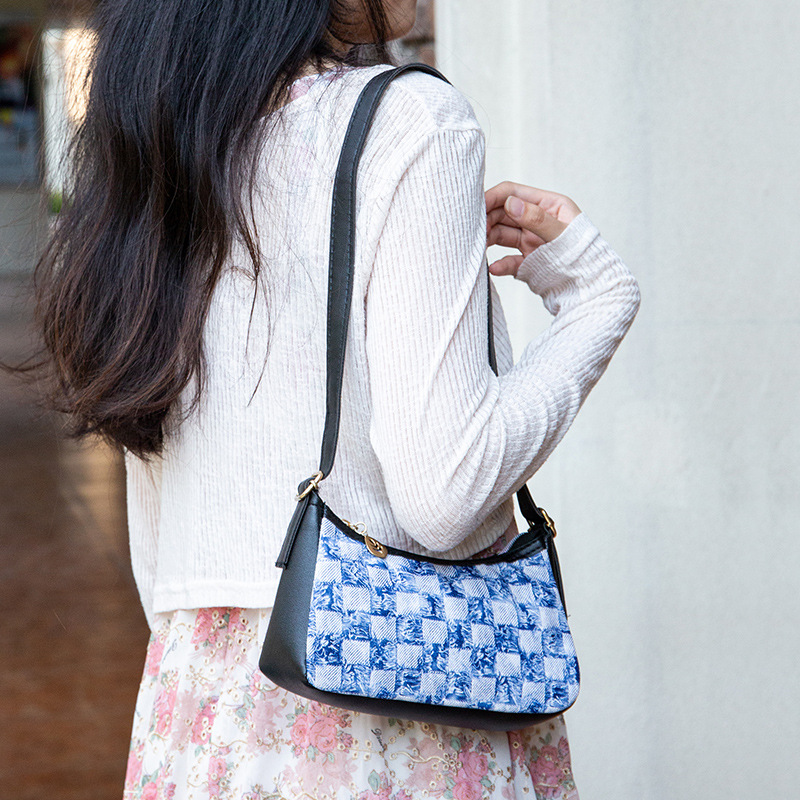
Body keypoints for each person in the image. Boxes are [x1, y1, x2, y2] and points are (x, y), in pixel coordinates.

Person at [24, 1, 640, 798]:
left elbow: (163, 549)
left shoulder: (160, 145)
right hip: (381, 724)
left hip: (197, 721)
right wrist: (597, 297)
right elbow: (446, 490)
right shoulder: (411, 121)